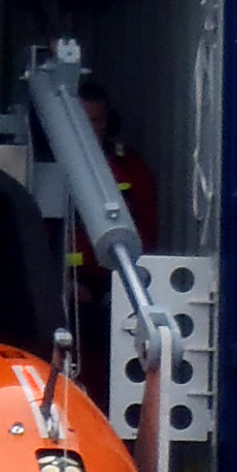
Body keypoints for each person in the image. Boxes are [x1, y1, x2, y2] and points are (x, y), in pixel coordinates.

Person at [67, 74, 159, 398]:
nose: (90, 129)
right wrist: (61, 282)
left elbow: (147, 231)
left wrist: (121, 287)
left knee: (116, 386)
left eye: (96, 120)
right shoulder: (51, 169)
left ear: (108, 122)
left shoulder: (130, 169)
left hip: (117, 293)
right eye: (83, 121)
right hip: (68, 295)